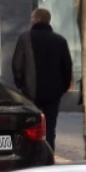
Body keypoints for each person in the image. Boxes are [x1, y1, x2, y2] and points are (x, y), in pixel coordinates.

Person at [12, 8, 73, 150]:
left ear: (37, 19)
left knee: (30, 126)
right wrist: (62, 88)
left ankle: (31, 153)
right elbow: (67, 67)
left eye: (32, 18)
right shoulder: (60, 40)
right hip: (53, 93)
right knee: (50, 127)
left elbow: (17, 65)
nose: (30, 20)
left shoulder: (25, 39)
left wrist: (21, 85)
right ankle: (49, 153)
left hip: (30, 92)